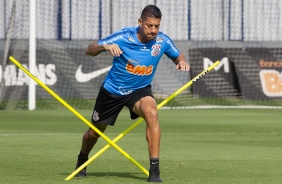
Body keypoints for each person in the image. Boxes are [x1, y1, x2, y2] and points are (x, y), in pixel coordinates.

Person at [74, 4, 190, 182]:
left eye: (156, 26)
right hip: (112, 91)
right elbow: (89, 49)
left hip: (139, 90)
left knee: (152, 112)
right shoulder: (123, 36)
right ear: (140, 22)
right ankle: (82, 159)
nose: (153, 30)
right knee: (94, 133)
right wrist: (105, 47)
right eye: (149, 25)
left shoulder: (162, 41)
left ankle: (154, 171)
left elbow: (178, 55)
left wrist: (181, 61)